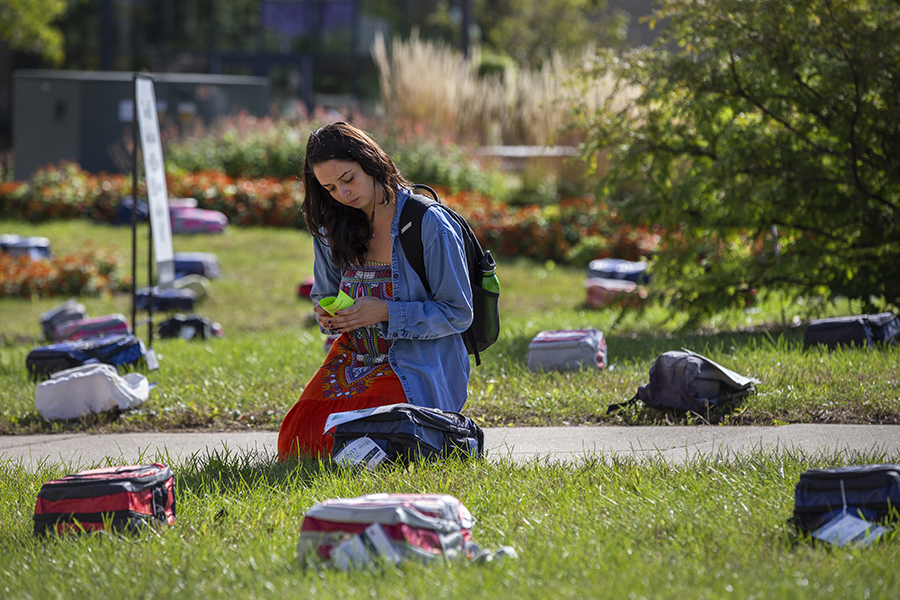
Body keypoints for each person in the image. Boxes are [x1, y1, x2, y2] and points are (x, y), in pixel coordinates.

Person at [277, 122, 473, 459]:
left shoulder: (428, 224)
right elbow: (322, 296)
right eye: (330, 188)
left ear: (370, 162)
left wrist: (384, 311)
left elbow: (458, 312)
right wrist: (327, 315)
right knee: (298, 442)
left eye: (348, 179)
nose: (343, 194)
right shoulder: (331, 228)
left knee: (371, 443)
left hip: (414, 363)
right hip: (353, 358)